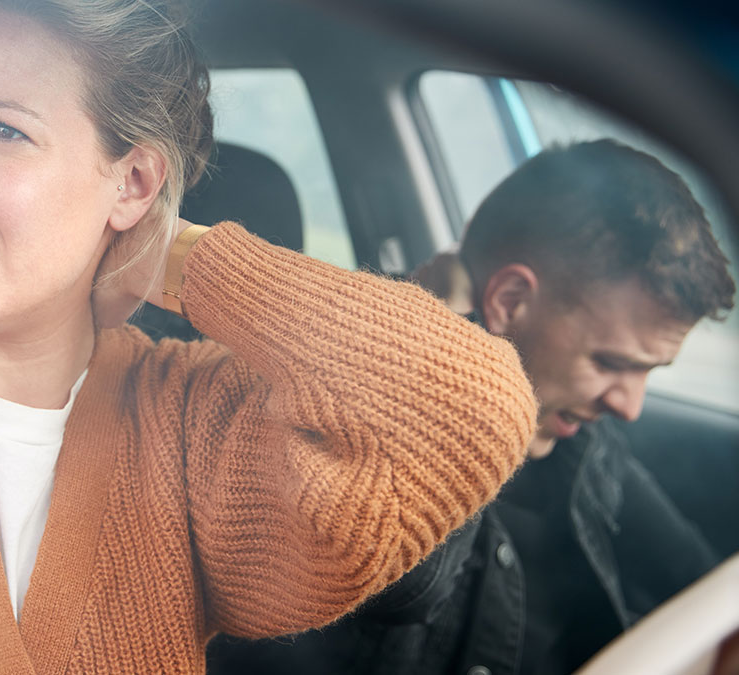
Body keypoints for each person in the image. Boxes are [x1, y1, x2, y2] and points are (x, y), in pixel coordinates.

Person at [0, 1, 537, 672]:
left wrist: (177, 261)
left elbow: (466, 403)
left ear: (133, 182)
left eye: (0, 129)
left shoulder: (185, 412)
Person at [207, 139, 735, 675]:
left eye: (648, 371)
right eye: (610, 362)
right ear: (508, 302)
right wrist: (439, 340)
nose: (630, 406)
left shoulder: (583, 441)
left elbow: (697, 580)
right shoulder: (324, 424)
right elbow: (405, 590)